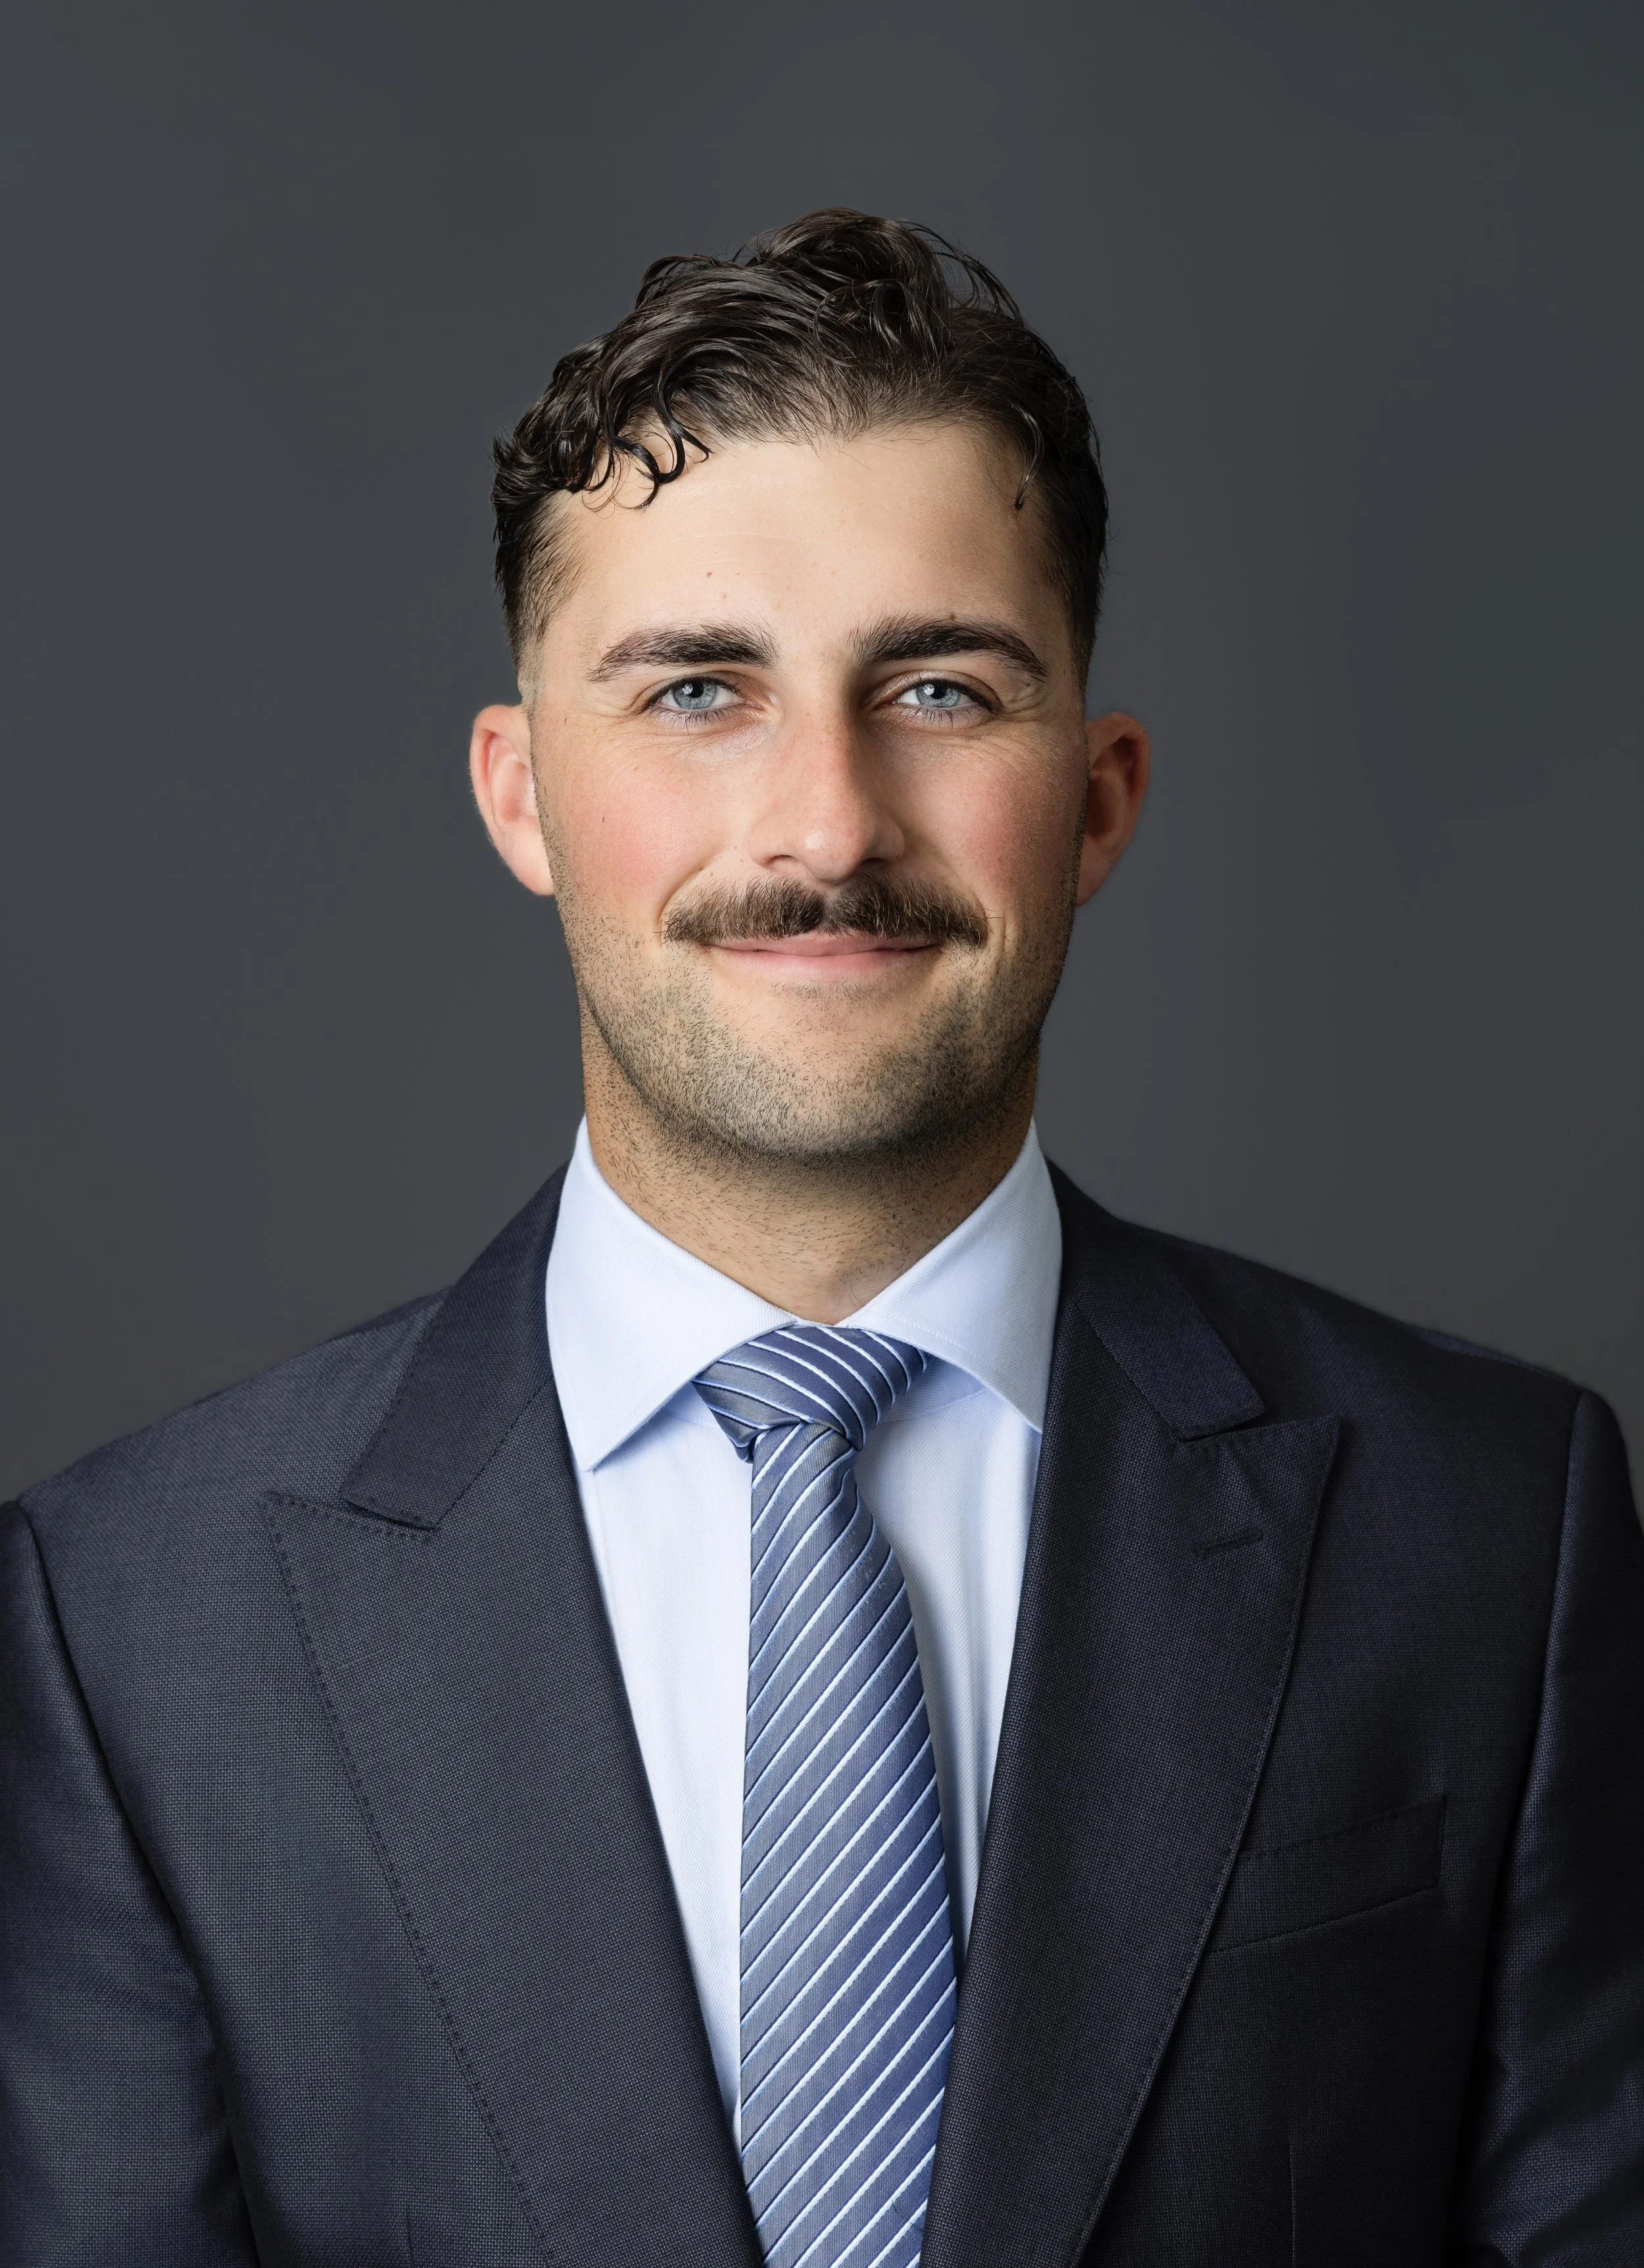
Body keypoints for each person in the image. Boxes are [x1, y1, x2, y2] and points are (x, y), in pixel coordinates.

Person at [3, 209, 1639, 2268]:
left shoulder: (1490, 1524)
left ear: (1099, 797)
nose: (826, 828)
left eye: (939, 688)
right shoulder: (127, 1613)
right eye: (697, 691)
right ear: (518, 796)